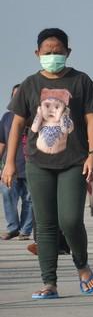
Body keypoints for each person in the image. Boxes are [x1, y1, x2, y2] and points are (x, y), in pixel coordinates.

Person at [1, 28, 93, 299]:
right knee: (44, 224)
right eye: (47, 52)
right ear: (37, 54)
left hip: (74, 161)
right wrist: (9, 162)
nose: (52, 55)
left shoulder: (80, 81)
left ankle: (82, 265)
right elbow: (17, 124)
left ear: (68, 52)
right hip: (38, 163)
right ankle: (49, 283)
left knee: (70, 219)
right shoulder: (30, 84)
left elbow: (92, 118)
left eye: (58, 51)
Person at [1, 85, 33, 241]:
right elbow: (1, 141)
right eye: (15, 95)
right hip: (10, 166)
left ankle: (25, 230)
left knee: (30, 200)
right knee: (7, 195)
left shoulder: (34, 115)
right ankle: (12, 227)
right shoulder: (6, 117)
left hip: (30, 164)